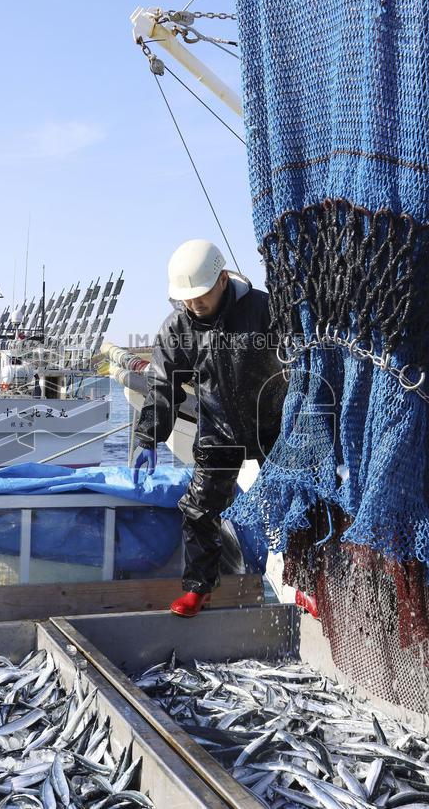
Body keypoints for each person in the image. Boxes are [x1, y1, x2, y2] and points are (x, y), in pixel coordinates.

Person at [133, 239, 285, 618]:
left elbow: (301, 361)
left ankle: (305, 587)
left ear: (222, 279)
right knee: (198, 509)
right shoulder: (179, 328)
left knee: (291, 505)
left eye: (200, 295)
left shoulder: (265, 309)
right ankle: (198, 588)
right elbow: (163, 385)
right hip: (218, 429)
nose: (193, 304)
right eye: (186, 298)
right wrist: (148, 436)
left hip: (274, 426)